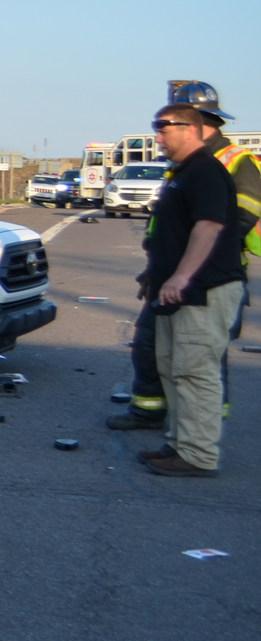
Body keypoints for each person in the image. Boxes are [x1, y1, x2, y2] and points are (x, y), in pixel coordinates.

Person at [108, 82, 259, 432]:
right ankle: (151, 409)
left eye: (164, 128)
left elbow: (239, 216)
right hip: (172, 272)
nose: (159, 137)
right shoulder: (187, 162)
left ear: (200, 122)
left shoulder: (233, 161)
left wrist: (195, 262)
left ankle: (200, 427)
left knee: (202, 355)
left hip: (207, 277)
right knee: (151, 343)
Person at [132, 100, 245, 476]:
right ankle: (180, 444)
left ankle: (197, 455)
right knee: (173, 371)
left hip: (202, 292)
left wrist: (181, 277)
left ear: (190, 129)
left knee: (195, 373)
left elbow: (209, 227)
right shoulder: (182, 172)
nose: (158, 136)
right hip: (173, 295)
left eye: (164, 128)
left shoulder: (206, 172)